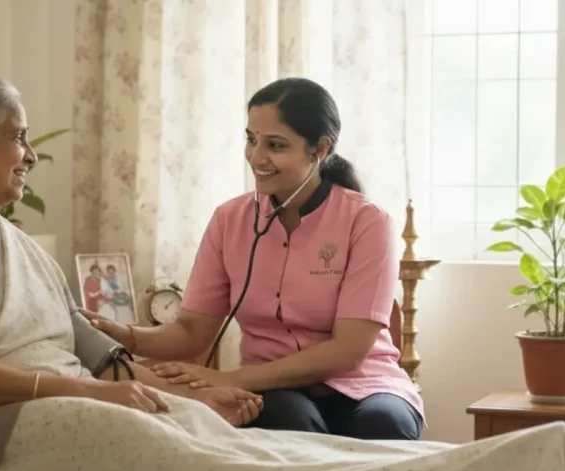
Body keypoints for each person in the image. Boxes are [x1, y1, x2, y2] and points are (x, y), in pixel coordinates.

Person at [0, 73, 565, 471]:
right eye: (20, 137)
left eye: (274, 144)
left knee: (227, 438)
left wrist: (180, 387)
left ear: (320, 150)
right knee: (230, 459)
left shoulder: (12, 242)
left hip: (339, 378)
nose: (30, 156)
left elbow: (95, 350)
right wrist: (142, 379)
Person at [87, 77, 425, 441]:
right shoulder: (228, 220)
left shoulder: (367, 221)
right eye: (251, 140)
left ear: (320, 149)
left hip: (366, 384)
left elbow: (348, 351)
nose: (256, 157)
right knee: (289, 424)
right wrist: (130, 337)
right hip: (276, 388)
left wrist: (230, 378)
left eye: (275, 145)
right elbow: (191, 332)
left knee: (383, 425)